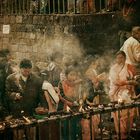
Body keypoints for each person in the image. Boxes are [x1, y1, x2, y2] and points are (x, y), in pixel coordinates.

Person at [5, 58, 48, 140]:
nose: (27, 73)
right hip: (17, 112)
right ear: (20, 68)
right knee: (18, 135)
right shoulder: (11, 79)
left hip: (31, 111)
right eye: (25, 71)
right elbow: (6, 94)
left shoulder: (37, 80)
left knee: (31, 134)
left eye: (29, 71)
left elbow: (41, 95)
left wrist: (44, 107)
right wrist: (14, 95)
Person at [109, 51, 137, 139]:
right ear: (115, 59)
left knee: (130, 116)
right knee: (119, 117)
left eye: (121, 57)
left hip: (129, 95)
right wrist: (128, 82)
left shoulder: (129, 67)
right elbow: (116, 82)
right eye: (118, 58)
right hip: (118, 95)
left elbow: (134, 79)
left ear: (125, 58)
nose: (120, 59)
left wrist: (133, 83)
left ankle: (127, 134)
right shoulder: (113, 69)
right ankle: (121, 136)